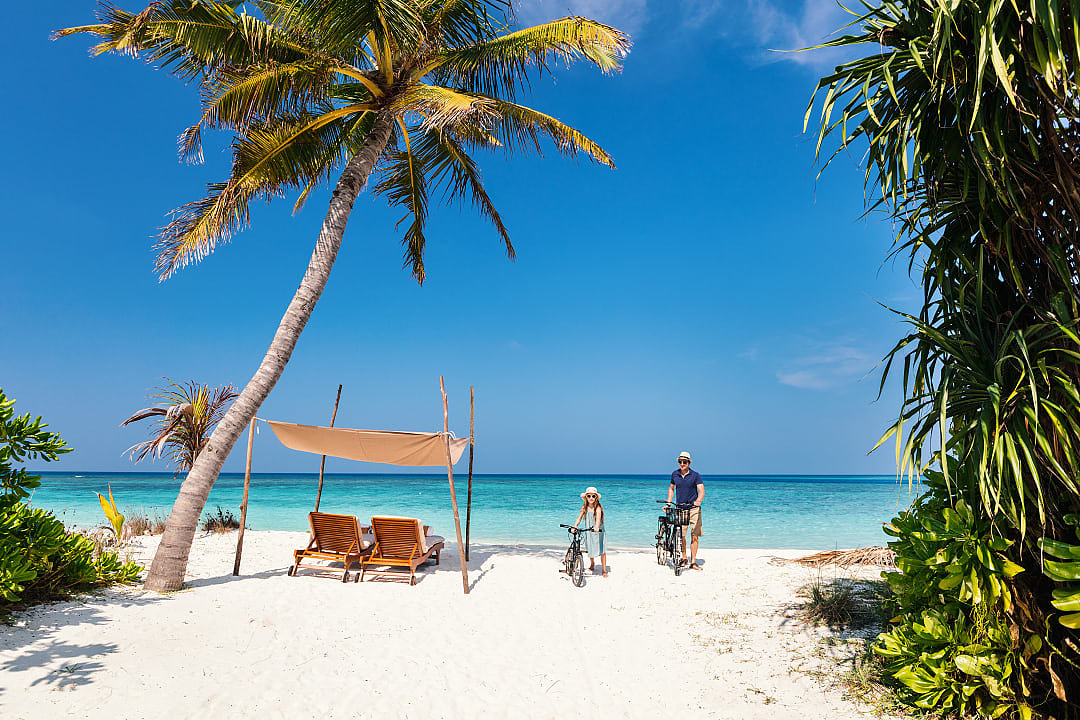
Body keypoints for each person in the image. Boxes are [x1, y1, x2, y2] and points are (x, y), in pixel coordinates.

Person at [667, 451, 704, 570]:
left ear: (689, 463)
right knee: (681, 536)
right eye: (680, 462)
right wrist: (668, 502)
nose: (682, 464)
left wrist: (698, 500)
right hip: (680, 508)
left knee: (695, 535)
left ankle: (693, 562)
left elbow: (702, 490)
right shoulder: (675, 474)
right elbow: (671, 489)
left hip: (693, 509)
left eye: (684, 462)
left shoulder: (695, 475)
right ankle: (684, 558)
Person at [574, 486, 607, 577]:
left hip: (598, 531)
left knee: (602, 549)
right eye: (589, 496)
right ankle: (592, 564)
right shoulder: (584, 507)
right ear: (586, 497)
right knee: (590, 548)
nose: (591, 498)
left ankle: (604, 570)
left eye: (593, 496)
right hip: (589, 530)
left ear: (596, 497)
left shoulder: (598, 508)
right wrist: (575, 526)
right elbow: (579, 518)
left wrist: (596, 527)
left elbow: (598, 520)